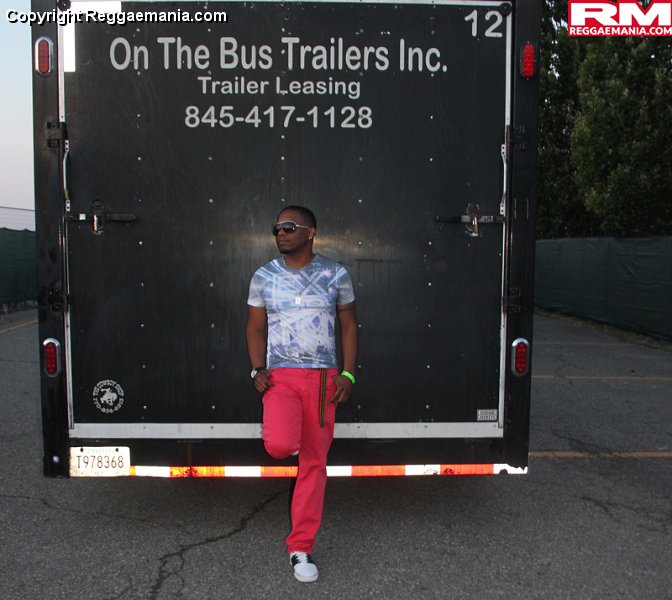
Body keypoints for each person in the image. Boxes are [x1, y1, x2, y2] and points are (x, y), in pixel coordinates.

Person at [246, 205, 358, 583]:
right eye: (277, 228)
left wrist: (348, 374)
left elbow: (349, 326)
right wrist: (257, 369)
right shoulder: (264, 276)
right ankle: (293, 432)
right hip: (281, 377)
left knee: (314, 464)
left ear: (310, 232)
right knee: (280, 445)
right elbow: (254, 327)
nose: (281, 233)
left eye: (289, 227)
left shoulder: (335, 274)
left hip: (324, 379)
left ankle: (300, 546)